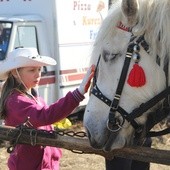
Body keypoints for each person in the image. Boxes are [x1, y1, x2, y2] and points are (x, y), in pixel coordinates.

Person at [0, 47, 95, 170]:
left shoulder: (33, 97)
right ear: (15, 73)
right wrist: (78, 93)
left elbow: (46, 115)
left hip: (45, 164)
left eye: (39, 69)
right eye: (31, 70)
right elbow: (45, 115)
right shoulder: (16, 101)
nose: (38, 74)